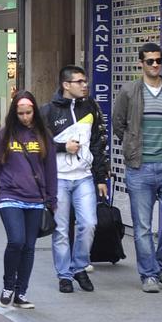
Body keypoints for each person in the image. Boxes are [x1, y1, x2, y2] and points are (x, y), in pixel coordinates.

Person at [113, 42, 162, 294]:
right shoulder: (130, 90)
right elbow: (118, 123)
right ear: (141, 64)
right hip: (140, 167)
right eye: (150, 61)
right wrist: (132, 146)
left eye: (159, 61)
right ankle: (148, 275)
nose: (155, 65)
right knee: (142, 226)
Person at [0, 90, 57, 309]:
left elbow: (51, 168)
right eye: (21, 113)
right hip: (10, 195)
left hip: (36, 197)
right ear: (15, 113)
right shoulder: (4, 135)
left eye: (29, 112)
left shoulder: (44, 136)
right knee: (16, 240)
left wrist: (52, 199)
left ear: (34, 110)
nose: (26, 117)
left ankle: (21, 292)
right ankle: (8, 286)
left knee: (29, 246)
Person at [42, 65, 111, 294]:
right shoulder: (49, 112)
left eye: (85, 82)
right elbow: (38, 145)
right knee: (61, 229)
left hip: (83, 177)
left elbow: (98, 142)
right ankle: (64, 275)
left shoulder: (90, 107)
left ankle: (79, 266)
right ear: (66, 85)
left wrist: (101, 176)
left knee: (89, 223)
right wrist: (63, 147)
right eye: (79, 82)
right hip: (59, 179)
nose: (85, 85)